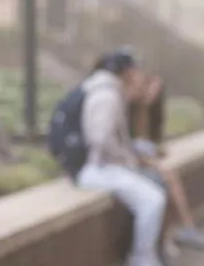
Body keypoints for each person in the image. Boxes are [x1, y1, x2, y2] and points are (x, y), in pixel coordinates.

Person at [71, 50, 171, 266]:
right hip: (97, 168)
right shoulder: (106, 95)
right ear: (126, 71)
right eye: (136, 70)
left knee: (155, 188)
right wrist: (127, 160)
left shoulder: (112, 91)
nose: (140, 74)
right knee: (152, 199)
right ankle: (142, 258)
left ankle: (150, 253)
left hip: (105, 165)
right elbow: (100, 139)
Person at [124, 71, 204, 253]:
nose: (153, 94)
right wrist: (150, 160)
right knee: (167, 181)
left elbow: (151, 145)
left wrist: (156, 153)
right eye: (150, 89)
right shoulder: (128, 112)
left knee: (168, 182)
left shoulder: (152, 117)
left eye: (157, 90)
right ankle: (183, 229)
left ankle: (175, 233)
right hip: (133, 166)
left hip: (148, 164)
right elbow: (126, 149)